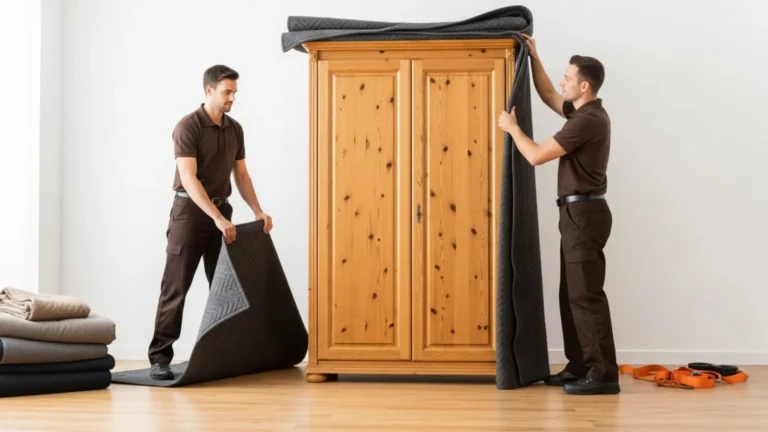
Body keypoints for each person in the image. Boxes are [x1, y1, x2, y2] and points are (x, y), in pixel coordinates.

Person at [497, 34, 619, 395]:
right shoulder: (582, 112)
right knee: (573, 294)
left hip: (585, 214)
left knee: (585, 296)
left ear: (584, 85)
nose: (562, 80)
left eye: (568, 76)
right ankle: (580, 364)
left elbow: (535, 155)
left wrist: (512, 128)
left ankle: (603, 375)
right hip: (577, 214)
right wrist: (533, 57)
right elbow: (550, 94)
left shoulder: (588, 120)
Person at [148, 65, 273, 380]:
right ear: (209, 90)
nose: (232, 98)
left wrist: (257, 210)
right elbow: (188, 180)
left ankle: (226, 355)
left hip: (223, 214)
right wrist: (216, 218)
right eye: (226, 92)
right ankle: (160, 358)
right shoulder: (187, 127)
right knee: (175, 287)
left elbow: (240, 174)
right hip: (189, 215)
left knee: (227, 288)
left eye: (234, 92)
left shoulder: (235, 129)